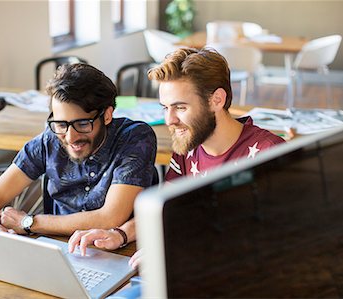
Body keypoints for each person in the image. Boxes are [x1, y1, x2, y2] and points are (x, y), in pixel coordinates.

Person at [68, 47, 285, 268]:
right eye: (165, 108)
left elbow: (272, 243)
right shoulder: (187, 146)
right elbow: (170, 212)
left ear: (217, 100)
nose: (169, 120)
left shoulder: (268, 153)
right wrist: (120, 234)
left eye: (180, 107)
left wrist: (179, 250)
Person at [0, 63, 158, 236]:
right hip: (59, 248)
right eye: (61, 124)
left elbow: (110, 218)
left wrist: (29, 223)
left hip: (120, 250)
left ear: (107, 115)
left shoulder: (135, 138)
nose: (70, 137)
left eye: (82, 124)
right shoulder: (48, 140)